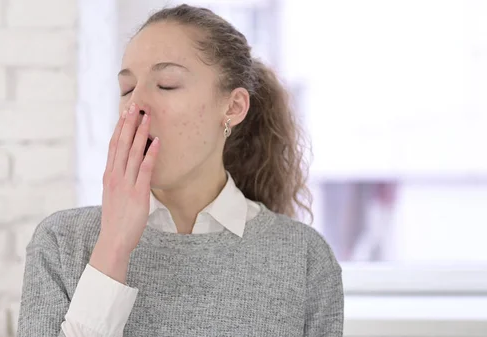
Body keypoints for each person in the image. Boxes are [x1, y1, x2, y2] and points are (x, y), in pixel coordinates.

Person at [17, 4, 343, 337]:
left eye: (167, 84)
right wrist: (114, 245)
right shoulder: (62, 242)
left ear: (233, 107)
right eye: (127, 89)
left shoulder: (303, 258)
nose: (135, 104)